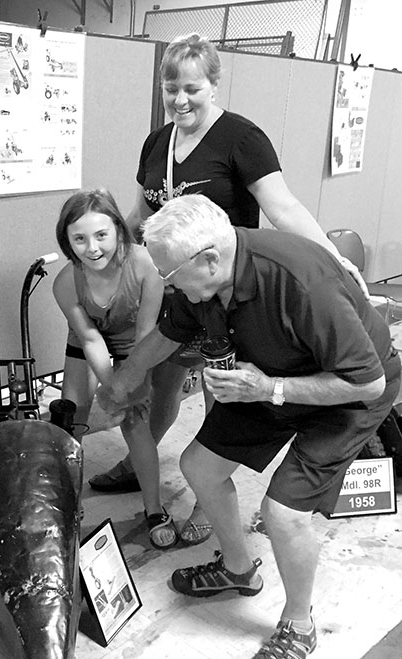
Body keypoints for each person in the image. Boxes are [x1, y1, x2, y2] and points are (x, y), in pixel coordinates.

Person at [88, 33, 367, 547]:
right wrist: (94, 245)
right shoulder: (157, 143)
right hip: (178, 289)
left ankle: (204, 499)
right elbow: (142, 215)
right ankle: (141, 461)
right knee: (164, 381)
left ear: (214, 84)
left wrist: (333, 259)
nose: (180, 99)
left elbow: (283, 208)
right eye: (171, 87)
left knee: (224, 396)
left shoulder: (242, 137)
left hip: (227, 292)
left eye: (192, 88)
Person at [102, 195, 400, 659]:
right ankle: (239, 570)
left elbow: (367, 381)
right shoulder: (202, 284)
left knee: (284, 512)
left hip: (348, 391)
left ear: (210, 259)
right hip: (267, 376)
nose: (168, 286)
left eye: (170, 275)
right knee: (199, 466)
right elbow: (167, 335)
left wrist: (271, 388)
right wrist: (122, 383)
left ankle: (299, 625)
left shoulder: (301, 280)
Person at [52, 189, 176, 548]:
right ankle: (63, 505)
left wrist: (126, 389)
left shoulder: (145, 266)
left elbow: (145, 335)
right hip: (89, 340)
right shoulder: (65, 282)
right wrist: (110, 386)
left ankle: (154, 508)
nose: (92, 248)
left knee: (136, 421)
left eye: (101, 235)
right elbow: (90, 340)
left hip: (135, 342)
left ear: (119, 231)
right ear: (67, 241)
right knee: (70, 419)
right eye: (79, 238)